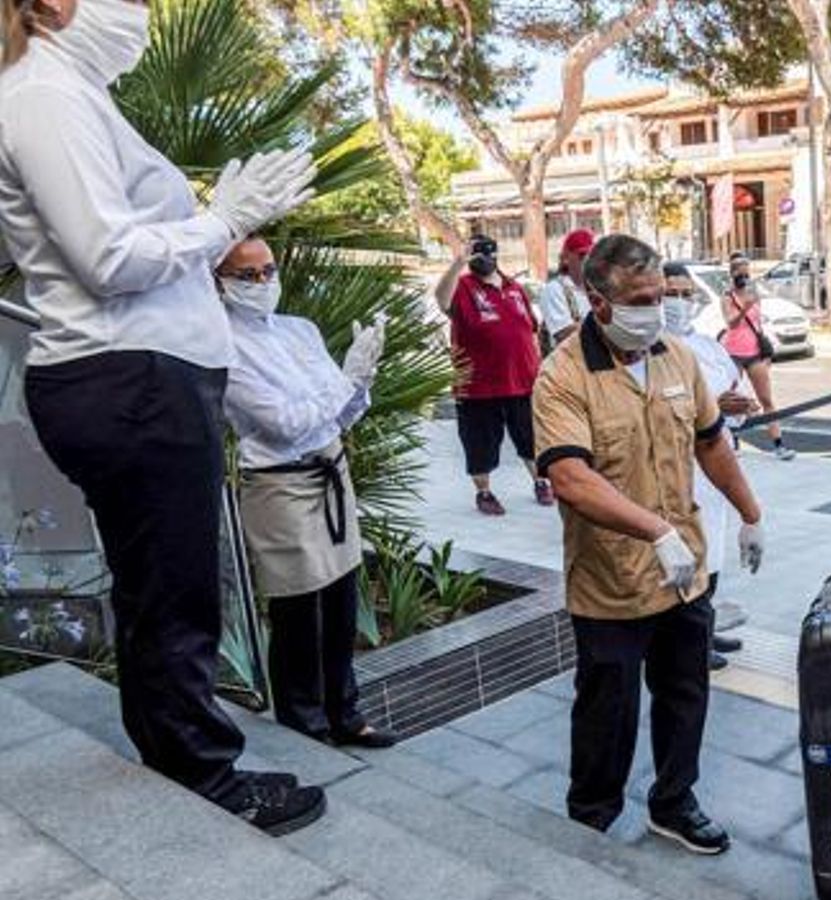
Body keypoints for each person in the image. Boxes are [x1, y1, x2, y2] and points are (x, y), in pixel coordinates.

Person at [0, 0, 327, 834]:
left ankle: (179, 754)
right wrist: (221, 220)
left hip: (138, 378)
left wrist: (206, 216)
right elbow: (107, 258)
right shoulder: (44, 95)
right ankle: (203, 776)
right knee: (175, 590)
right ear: (54, 4)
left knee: (161, 584)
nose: (139, 12)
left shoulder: (70, 90)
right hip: (128, 378)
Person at [533, 234, 765, 855]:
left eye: (659, 295)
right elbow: (569, 476)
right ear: (597, 299)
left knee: (685, 691)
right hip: (612, 579)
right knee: (607, 709)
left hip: (684, 569)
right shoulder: (562, 375)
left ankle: (674, 801)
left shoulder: (677, 358)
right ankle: (591, 817)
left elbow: (711, 441)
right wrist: (653, 530)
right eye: (639, 298)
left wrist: (750, 513)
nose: (653, 308)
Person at [216, 237, 397, 751]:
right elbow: (283, 423)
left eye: (267, 270)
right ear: (219, 282)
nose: (262, 283)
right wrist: (345, 380)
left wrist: (360, 380)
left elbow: (338, 414)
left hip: (330, 471)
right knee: (298, 610)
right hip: (280, 484)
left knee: (341, 599)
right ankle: (305, 725)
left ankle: (346, 713)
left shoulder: (300, 330)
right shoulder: (222, 346)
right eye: (246, 275)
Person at [662, 262, 759, 671]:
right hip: (681, 470)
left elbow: (739, 392)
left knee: (714, 553)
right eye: (671, 293)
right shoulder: (652, 351)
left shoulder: (708, 346)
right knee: (693, 555)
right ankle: (690, 644)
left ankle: (705, 628)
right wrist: (712, 410)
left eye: (687, 294)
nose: (680, 302)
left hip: (718, 463)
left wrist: (735, 409)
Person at [433, 233, 541, 516]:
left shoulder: (514, 287)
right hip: (479, 387)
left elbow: (531, 331)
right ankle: (484, 492)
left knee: (532, 437)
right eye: (476, 253)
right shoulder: (463, 287)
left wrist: (538, 368)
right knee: (480, 442)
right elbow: (441, 299)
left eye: (487, 252)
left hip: (522, 382)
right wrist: (458, 263)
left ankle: (540, 481)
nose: (484, 258)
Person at [720, 252, 794, 461]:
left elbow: (758, 323)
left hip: (754, 352)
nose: (744, 277)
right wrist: (745, 307)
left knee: (766, 399)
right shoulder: (727, 297)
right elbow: (731, 323)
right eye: (740, 274)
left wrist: (765, 352)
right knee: (731, 400)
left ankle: (779, 444)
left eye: (747, 273)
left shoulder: (754, 294)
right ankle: (733, 443)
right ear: (732, 275)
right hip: (733, 352)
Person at [539, 228, 594, 345]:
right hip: (569, 361)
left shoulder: (598, 288)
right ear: (566, 259)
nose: (588, 260)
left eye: (592, 255)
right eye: (582, 255)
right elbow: (563, 334)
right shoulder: (554, 290)